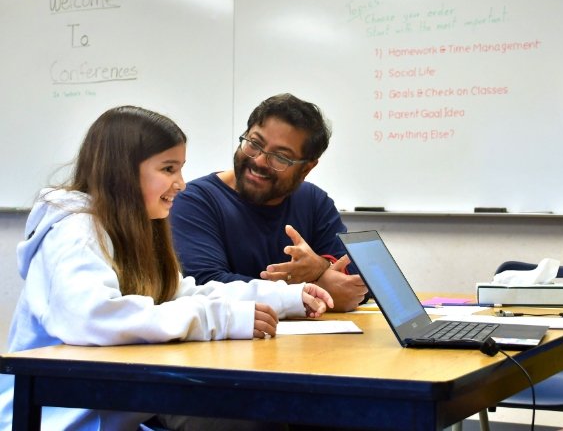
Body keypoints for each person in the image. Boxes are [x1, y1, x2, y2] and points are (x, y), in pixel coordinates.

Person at [0, 105, 333, 431]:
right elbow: (93, 318)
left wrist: (287, 297)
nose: (182, 184)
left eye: (180, 169)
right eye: (169, 169)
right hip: (56, 418)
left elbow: (182, 292)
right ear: (123, 172)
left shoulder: (137, 227)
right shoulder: (75, 231)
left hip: (112, 412)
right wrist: (219, 318)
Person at [170, 93, 367, 312]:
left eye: (280, 157)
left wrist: (320, 268)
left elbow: (359, 283)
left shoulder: (313, 201)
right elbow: (204, 284)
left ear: (307, 168)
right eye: (254, 143)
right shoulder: (195, 202)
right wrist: (308, 288)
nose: (259, 160)